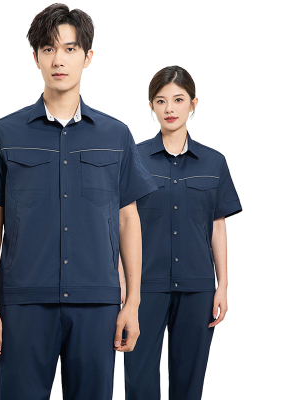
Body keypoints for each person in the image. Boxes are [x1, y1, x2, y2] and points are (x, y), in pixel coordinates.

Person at [0, 4, 158, 400]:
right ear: (35, 58)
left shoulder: (116, 135)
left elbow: (128, 220)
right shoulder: (4, 133)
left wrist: (133, 302)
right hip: (25, 304)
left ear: (88, 56)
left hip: (97, 305)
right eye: (48, 49)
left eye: (69, 49)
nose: (58, 60)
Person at [122, 65, 243, 400]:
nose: (170, 109)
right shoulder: (133, 158)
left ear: (193, 103)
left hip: (197, 288)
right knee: (139, 382)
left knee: (189, 385)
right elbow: (121, 224)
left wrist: (223, 285)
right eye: (161, 101)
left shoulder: (214, 162)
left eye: (178, 99)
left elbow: (217, 226)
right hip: (144, 287)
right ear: (151, 106)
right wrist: (123, 287)